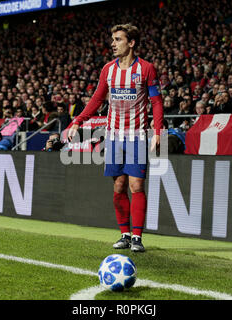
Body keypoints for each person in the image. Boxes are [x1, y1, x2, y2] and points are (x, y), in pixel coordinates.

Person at [68, 23, 163, 253]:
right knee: (119, 186)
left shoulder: (147, 69)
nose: (113, 43)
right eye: (113, 39)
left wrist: (158, 131)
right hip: (113, 135)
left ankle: (138, 237)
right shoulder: (108, 70)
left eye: (118, 39)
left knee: (136, 184)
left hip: (137, 135)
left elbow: (156, 102)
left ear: (131, 43)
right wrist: (78, 120)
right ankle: (124, 234)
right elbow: (97, 99)